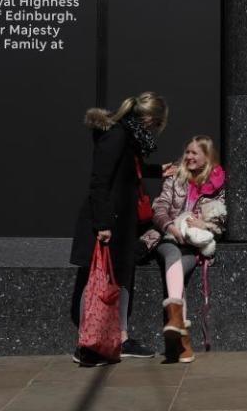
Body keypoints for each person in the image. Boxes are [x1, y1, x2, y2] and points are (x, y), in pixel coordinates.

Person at [69, 92, 176, 366]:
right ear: (150, 119)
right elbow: (100, 181)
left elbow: (128, 172)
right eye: (158, 125)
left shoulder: (129, 137)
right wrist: (103, 223)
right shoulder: (117, 135)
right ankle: (88, 346)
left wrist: (156, 170)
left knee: (122, 280)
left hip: (123, 222)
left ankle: (121, 338)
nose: (156, 131)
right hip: (109, 223)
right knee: (97, 282)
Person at [141, 136, 226, 363]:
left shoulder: (216, 184)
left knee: (179, 267)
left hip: (193, 244)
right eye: (187, 152)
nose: (188, 157)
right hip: (166, 237)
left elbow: (220, 221)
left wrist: (205, 225)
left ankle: (179, 334)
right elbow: (159, 207)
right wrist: (170, 226)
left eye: (194, 153)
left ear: (207, 158)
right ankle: (181, 333)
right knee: (172, 255)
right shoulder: (176, 177)